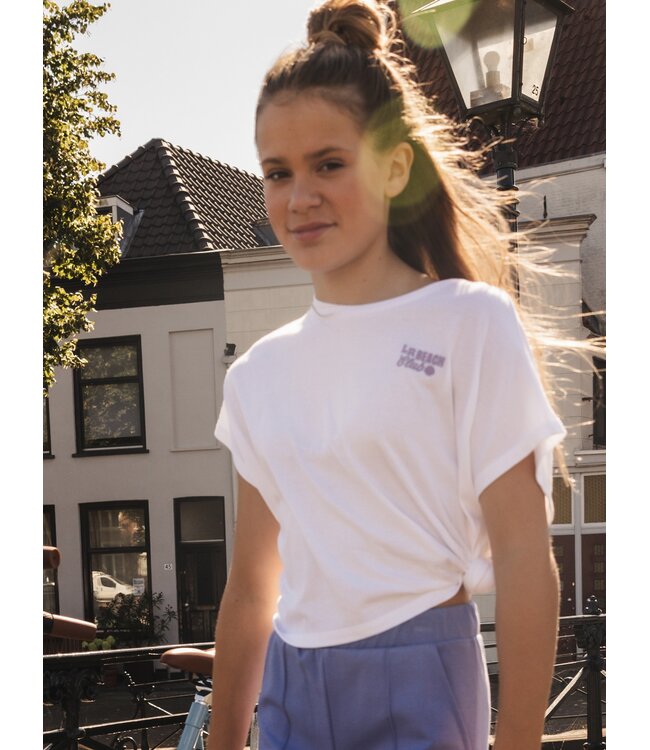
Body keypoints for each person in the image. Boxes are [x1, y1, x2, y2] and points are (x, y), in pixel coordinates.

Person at [209, 1, 569, 748]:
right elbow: (249, 592)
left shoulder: (469, 323)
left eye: (329, 164)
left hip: (421, 676)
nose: (300, 197)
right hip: (291, 684)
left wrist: (519, 739)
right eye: (278, 172)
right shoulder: (256, 376)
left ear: (396, 167)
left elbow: (525, 560)